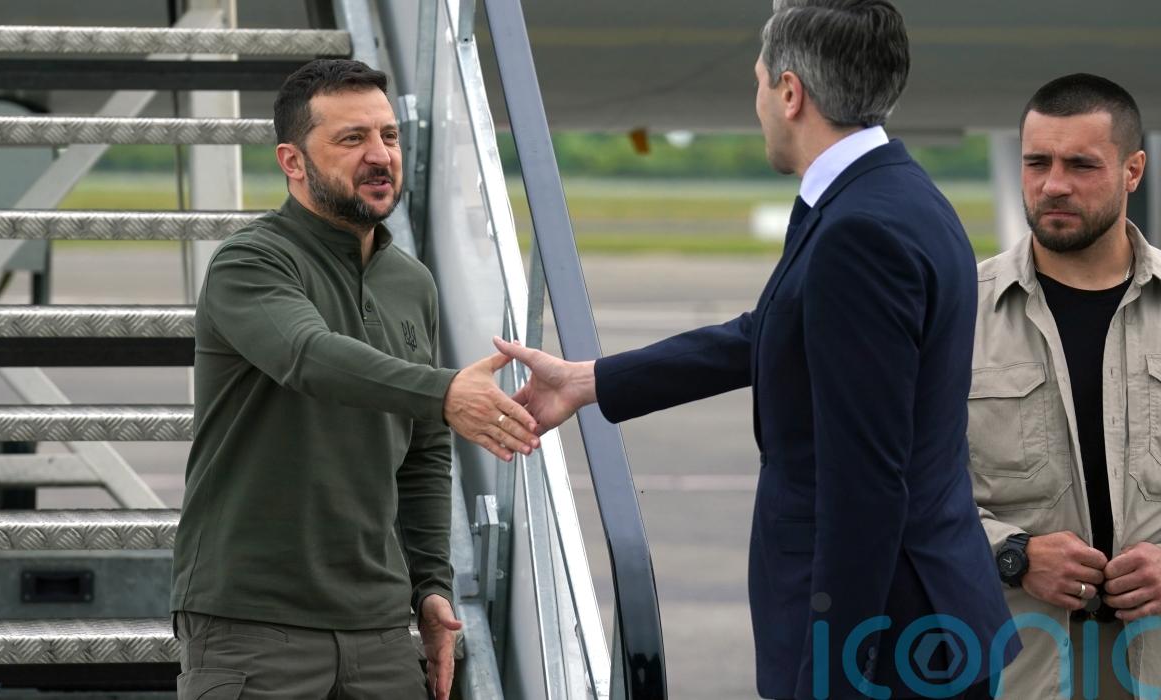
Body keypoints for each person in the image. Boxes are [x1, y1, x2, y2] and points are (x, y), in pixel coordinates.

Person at [494, 1, 1018, 697]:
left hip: (887, 641)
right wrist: (591, 380)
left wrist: (833, 675)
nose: (759, 104)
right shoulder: (902, 195)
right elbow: (769, 333)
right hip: (927, 614)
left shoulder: (857, 233)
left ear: (791, 92)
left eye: (760, 83)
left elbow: (864, 486)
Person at [170, 59, 539, 700]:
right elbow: (308, 356)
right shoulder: (250, 261)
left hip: (380, 630)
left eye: (388, 135)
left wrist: (431, 585)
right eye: (352, 139)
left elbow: (424, 453)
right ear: (292, 161)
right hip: (253, 622)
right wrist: (445, 391)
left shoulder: (412, 283)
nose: (380, 155)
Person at [969, 73, 1161, 699]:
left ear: (1133, 171)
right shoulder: (956, 315)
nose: (1054, 184)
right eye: (1037, 163)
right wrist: (1014, 554)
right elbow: (910, 490)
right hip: (1022, 666)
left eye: (1081, 165)